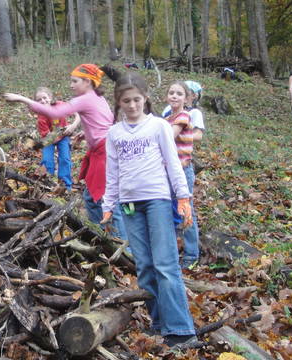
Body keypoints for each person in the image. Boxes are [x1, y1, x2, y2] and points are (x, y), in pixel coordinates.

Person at [101, 71, 197, 348]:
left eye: (136, 100)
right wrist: (108, 205)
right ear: (118, 103)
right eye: (126, 101)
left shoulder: (158, 127)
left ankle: (181, 330)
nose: (131, 106)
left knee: (166, 265)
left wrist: (183, 197)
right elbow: (113, 172)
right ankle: (158, 324)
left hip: (157, 200)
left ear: (145, 99)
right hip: (130, 205)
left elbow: (173, 163)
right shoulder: (114, 133)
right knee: (144, 266)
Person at [3, 64, 126, 240]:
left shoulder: (86, 98)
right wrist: (87, 133)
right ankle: (98, 237)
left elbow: (56, 111)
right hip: (101, 150)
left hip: (104, 153)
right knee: (91, 198)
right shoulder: (96, 97)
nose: (70, 85)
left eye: (74, 81)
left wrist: (22, 99)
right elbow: (106, 120)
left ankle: (120, 244)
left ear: (88, 82)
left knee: (106, 200)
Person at [164, 81, 199, 269]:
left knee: (186, 210)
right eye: (171, 93)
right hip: (168, 173)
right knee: (171, 211)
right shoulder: (167, 117)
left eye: (179, 93)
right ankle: (174, 250)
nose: (174, 96)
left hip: (183, 171)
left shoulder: (184, 116)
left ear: (187, 98)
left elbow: (168, 136)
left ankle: (191, 255)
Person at [34, 87, 79, 190]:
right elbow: (49, 137)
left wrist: (73, 125)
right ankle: (46, 183)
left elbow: (76, 112)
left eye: (44, 97)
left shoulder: (59, 105)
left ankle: (65, 185)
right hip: (49, 139)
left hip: (63, 137)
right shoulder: (41, 117)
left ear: (50, 97)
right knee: (47, 160)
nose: (43, 101)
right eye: (39, 100)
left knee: (65, 159)